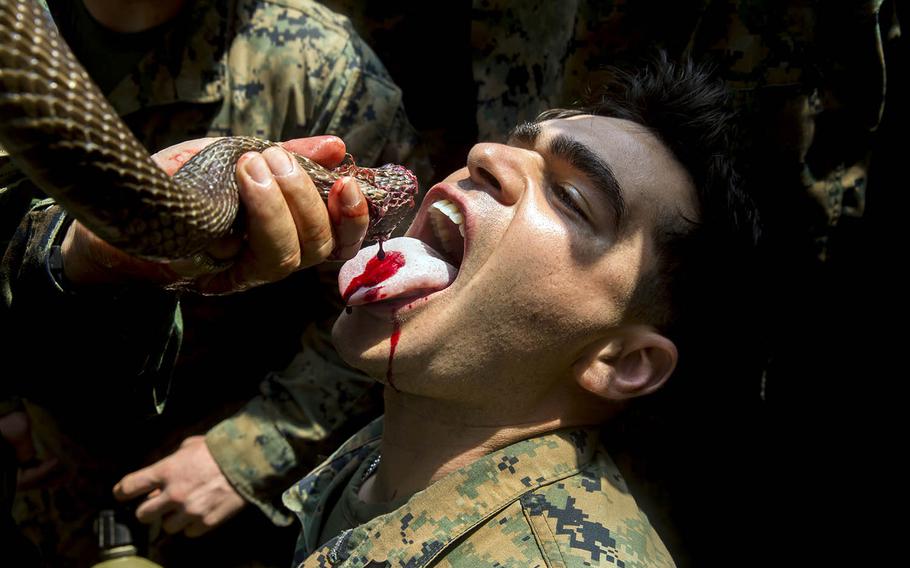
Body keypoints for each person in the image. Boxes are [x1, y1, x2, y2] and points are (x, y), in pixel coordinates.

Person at [279, 55, 760, 567]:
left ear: (621, 361)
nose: (483, 153)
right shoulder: (382, 459)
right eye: (514, 145)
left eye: (571, 197)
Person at [0, 0, 428, 564]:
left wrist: (247, 452)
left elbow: (384, 308)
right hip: (43, 460)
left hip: (204, 470)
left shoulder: (320, 66)